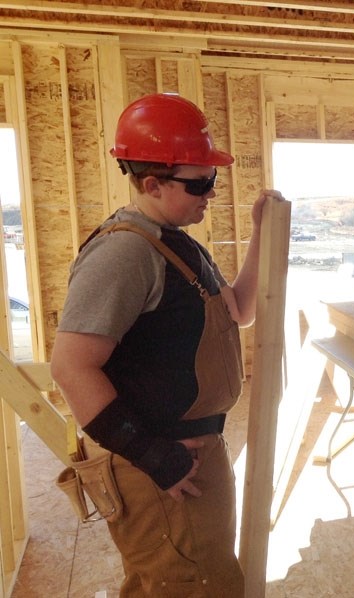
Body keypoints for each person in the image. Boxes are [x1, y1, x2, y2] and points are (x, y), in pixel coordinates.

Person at [50, 93, 284, 597]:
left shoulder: (176, 242)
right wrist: (153, 457)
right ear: (150, 183)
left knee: (201, 580)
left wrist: (262, 232)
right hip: (156, 467)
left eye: (213, 181)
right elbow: (71, 367)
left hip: (189, 453)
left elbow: (239, 311)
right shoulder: (125, 253)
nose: (210, 194)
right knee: (184, 586)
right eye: (199, 183)